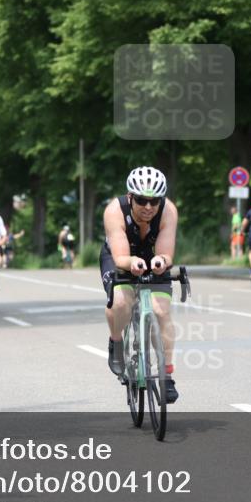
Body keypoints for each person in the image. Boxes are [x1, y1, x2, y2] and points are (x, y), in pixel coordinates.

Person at [101, 166, 180, 403]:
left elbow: (166, 253)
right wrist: (131, 262)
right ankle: (116, 341)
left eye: (154, 201)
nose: (148, 207)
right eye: (142, 200)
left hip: (150, 256)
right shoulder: (115, 211)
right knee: (122, 302)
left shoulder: (168, 211)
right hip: (120, 255)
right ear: (130, 197)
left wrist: (160, 261)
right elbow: (121, 256)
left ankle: (166, 375)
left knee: (161, 310)